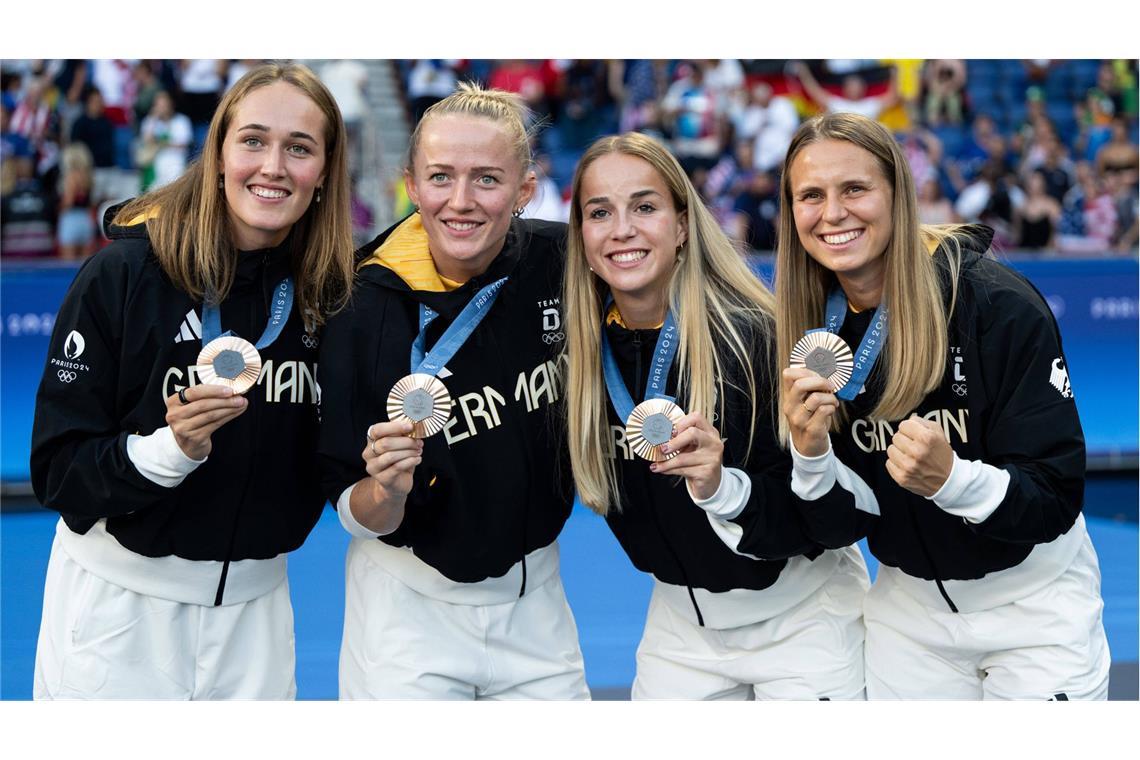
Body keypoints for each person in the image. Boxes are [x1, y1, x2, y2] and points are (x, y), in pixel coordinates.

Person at [30, 62, 355, 699]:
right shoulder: (122, 276)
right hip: (119, 618)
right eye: (254, 141)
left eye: (299, 148)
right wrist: (168, 451)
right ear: (218, 153)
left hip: (257, 623)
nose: (273, 167)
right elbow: (57, 469)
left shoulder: (333, 295)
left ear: (323, 173)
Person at [773, 112, 1109, 699]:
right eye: (811, 195)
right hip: (908, 616)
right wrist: (809, 455)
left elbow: (1054, 496)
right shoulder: (807, 327)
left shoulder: (998, 306)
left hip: (1034, 607)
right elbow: (837, 527)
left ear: (899, 193)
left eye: (854, 189)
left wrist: (952, 479)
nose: (832, 214)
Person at [561, 131, 869, 700]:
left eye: (645, 207)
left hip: (804, 618)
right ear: (580, 236)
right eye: (599, 212)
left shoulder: (757, 335)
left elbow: (832, 517)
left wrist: (722, 485)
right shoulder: (578, 356)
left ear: (682, 225)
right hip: (681, 625)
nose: (622, 229)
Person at [317, 83, 590, 700]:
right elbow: (346, 502)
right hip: (406, 616)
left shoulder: (562, 261)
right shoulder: (358, 303)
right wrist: (385, 492)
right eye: (440, 177)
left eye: (487, 179)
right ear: (411, 184)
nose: (461, 202)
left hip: (539, 604)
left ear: (525, 190)